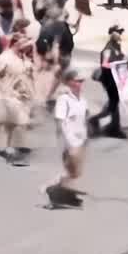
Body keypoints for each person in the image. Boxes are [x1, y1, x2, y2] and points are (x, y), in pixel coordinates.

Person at [0, 25, 35, 166]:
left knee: (9, 126)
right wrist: (0, 95)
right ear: (15, 44)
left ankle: (5, 149)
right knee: (21, 123)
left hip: (23, 97)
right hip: (10, 96)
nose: (28, 47)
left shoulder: (23, 58)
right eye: (25, 44)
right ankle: (13, 154)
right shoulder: (5, 59)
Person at [46, 68, 89, 208]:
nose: (80, 84)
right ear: (70, 82)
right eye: (78, 81)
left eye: (82, 81)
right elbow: (60, 122)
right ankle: (59, 195)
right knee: (71, 170)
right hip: (69, 141)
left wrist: (85, 136)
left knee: (76, 173)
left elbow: (83, 119)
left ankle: (57, 187)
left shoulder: (83, 100)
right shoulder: (64, 99)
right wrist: (66, 143)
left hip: (80, 140)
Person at [90, 24, 127, 139]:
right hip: (107, 78)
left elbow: (120, 59)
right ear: (111, 33)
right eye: (117, 32)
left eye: (121, 32)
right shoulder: (108, 49)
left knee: (113, 102)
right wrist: (118, 63)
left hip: (114, 77)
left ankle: (96, 120)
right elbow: (105, 64)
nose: (120, 34)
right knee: (114, 102)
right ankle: (114, 128)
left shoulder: (117, 46)